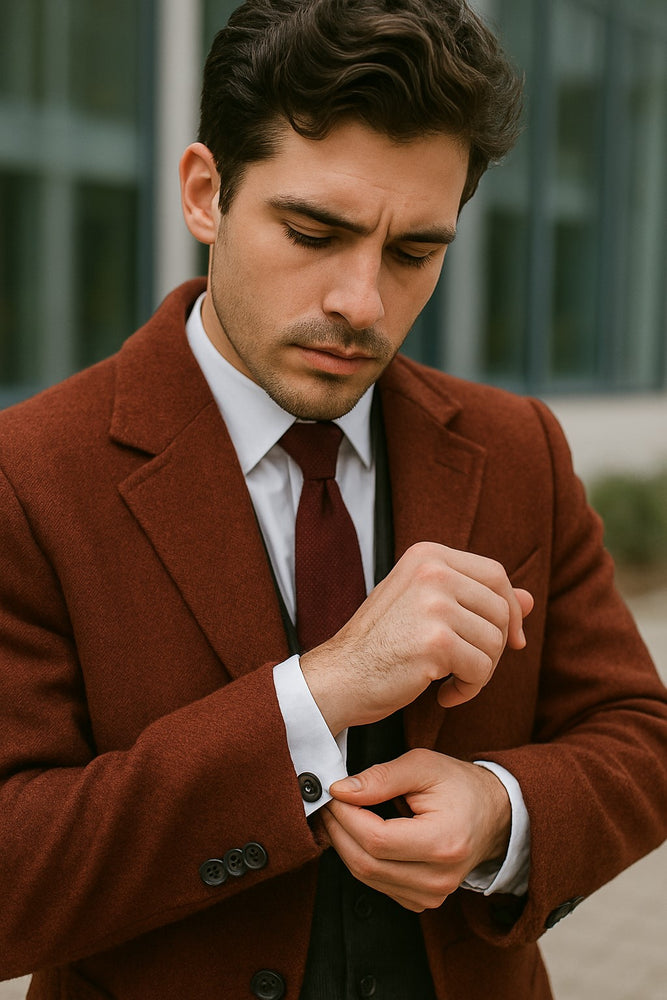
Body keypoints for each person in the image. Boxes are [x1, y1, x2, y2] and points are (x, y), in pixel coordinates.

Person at [0, 0, 665, 997]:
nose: (361, 301)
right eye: (314, 230)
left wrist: (501, 810)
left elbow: (638, 732)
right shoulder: (32, 472)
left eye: (412, 253)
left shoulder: (515, 446)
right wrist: (318, 694)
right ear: (202, 193)